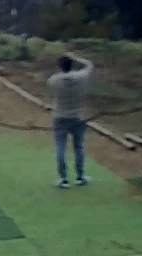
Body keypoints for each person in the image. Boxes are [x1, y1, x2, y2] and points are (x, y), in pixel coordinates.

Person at [47, 52, 93, 188]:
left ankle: (64, 179)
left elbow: (50, 87)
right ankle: (80, 177)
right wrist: (76, 57)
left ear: (60, 66)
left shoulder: (54, 79)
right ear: (72, 64)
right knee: (78, 147)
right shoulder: (81, 76)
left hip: (60, 117)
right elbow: (90, 64)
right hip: (78, 117)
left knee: (60, 147)